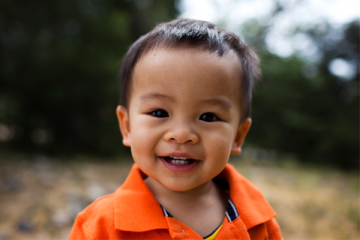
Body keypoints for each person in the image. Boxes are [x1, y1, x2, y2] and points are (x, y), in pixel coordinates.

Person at [68, 18, 282, 240]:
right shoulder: (100, 227)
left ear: (238, 136)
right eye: (159, 113)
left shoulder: (258, 223)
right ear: (127, 126)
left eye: (208, 116)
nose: (181, 134)